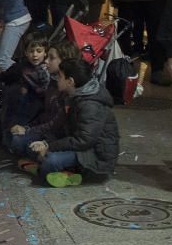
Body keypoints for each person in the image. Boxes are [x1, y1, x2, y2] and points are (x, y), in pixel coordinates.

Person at [22, 58, 119, 188]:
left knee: (50, 161)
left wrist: (49, 147)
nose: (57, 78)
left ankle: (69, 173)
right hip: (78, 145)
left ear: (70, 81)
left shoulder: (90, 105)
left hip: (95, 155)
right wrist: (42, 141)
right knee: (29, 145)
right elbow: (58, 125)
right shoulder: (72, 95)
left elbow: (84, 141)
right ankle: (63, 172)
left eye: (60, 76)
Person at [8, 40, 81, 158]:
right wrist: (27, 128)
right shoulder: (53, 82)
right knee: (17, 139)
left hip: (60, 137)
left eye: (51, 58)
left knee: (30, 148)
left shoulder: (69, 88)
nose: (46, 61)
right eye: (47, 57)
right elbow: (46, 114)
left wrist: (45, 142)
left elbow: (60, 125)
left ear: (65, 60)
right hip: (47, 131)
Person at [0, 32, 50, 143]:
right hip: (13, 94)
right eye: (31, 51)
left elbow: (44, 91)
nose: (35, 55)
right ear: (25, 52)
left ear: (45, 52)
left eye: (39, 51)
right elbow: (2, 77)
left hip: (30, 102)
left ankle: (3, 129)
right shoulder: (21, 66)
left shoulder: (45, 69)